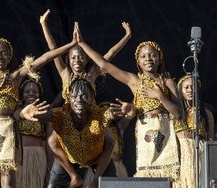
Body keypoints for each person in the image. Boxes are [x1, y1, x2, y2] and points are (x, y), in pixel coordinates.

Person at [75, 27, 183, 185]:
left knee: (170, 179)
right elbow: (104, 64)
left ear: (159, 58)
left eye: (153, 55)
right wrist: (82, 44)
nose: (148, 59)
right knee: (148, 177)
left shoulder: (168, 83)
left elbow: (179, 114)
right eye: (143, 56)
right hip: (146, 131)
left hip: (166, 131)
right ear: (138, 61)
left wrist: (160, 96)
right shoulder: (134, 81)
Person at [0, 34, 77, 188]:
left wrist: (71, 44)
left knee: (7, 179)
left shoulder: (15, 77)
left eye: (3, 52)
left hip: (6, 129)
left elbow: (45, 58)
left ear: (9, 56)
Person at [20, 77, 136, 188]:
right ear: (68, 98)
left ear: (91, 98)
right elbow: (45, 115)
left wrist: (129, 109)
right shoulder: (61, 115)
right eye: (74, 96)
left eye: (84, 96)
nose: (79, 100)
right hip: (70, 157)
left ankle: (95, 179)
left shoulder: (99, 115)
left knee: (109, 146)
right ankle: (74, 176)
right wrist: (23, 113)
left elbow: (111, 113)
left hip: (96, 157)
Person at [175, 74, 215, 188]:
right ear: (180, 90)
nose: (190, 90)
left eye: (193, 87)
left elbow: (211, 139)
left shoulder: (206, 113)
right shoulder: (175, 112)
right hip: (180, 153)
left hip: (199, 151)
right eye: (186, 87)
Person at [13, 75, 52, 188]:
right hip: (18, 158)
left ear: (39, 94)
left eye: (34, 91)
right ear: (22, 94)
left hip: (37, 157)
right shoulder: (16, 111)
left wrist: (50, 171)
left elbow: (50, 145)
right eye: (27, 91)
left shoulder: (45, 114)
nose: (31, 93)